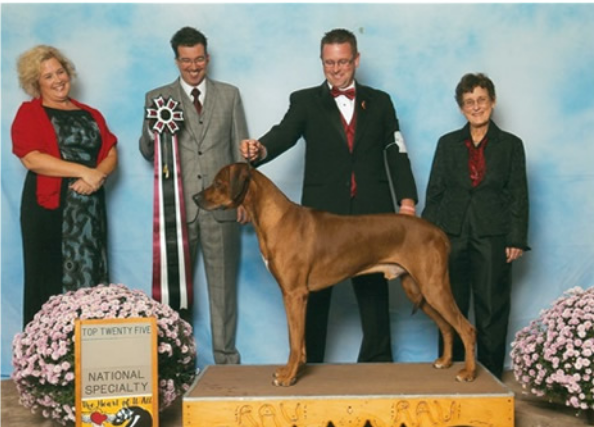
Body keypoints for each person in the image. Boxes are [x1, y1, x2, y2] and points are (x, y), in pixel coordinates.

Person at [241, 28, 418, 364]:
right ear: (322, 62)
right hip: (321, 218)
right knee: (314, 298)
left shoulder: (380, 101)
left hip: (371, 214)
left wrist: (406, 201)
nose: (336, 69)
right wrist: (260, 149)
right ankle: (309, 367)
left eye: (343, 62)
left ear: (357, 60)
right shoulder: (305, 101)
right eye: (329, 63)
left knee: (374, 297)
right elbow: (284, 134)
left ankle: (378, 369)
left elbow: (396, 151)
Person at [139, 27, 248, 364]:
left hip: (221, 210)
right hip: (177, 210)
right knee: (175, 293)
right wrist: (150, 130)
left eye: (199, 59)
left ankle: (226, 359)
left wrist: (242, 198)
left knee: (223, 289)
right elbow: (146, 152)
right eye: (186, 60)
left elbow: (239, 155)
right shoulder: (157, 99)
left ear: (207, 58)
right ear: (176, 61)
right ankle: (175, 364)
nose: (193, 66)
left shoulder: (229, 95)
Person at [422, 73, 529, 379]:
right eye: (469, 102)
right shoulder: (447, 144)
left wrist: (516, 238)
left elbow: (518, 194)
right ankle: (452, 368)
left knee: (492, 308)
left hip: (493, 235)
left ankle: (492, 375)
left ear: (492, 102)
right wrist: (426, 242)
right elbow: (435, 193)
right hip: (449, 235)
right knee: (448, 305)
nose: (476, 106)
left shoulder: (511, 145)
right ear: (461, 108)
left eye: (481, 99)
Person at [11, 45, 118, 328]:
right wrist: (84, 171)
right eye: (48, 76)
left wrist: (97, 176)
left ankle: (90, 353)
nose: (58, 79)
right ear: (36, 83)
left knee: (91, 275)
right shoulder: (29, 113)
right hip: (48, 210)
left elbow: (110, 151)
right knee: (46, 279)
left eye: (60, 71)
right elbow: (32, 159)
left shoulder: (90, 113)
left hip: (89, 211)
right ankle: (45, 359)